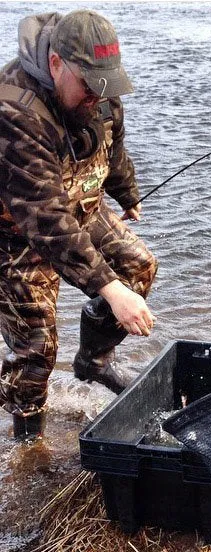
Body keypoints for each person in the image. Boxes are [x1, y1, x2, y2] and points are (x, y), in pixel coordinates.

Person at [0, 10, 157, 440]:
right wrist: (110, 290)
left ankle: (93, 360)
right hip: (17, 234)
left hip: (80, 207)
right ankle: (28, 445)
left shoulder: (99, 85)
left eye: (106, 84)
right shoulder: (13, 110)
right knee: (36, 349)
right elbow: (47, 221)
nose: (99, 96)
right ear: (56, 65)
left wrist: (127, 192)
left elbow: (113, 142)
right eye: (89, 85)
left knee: (138, 267)